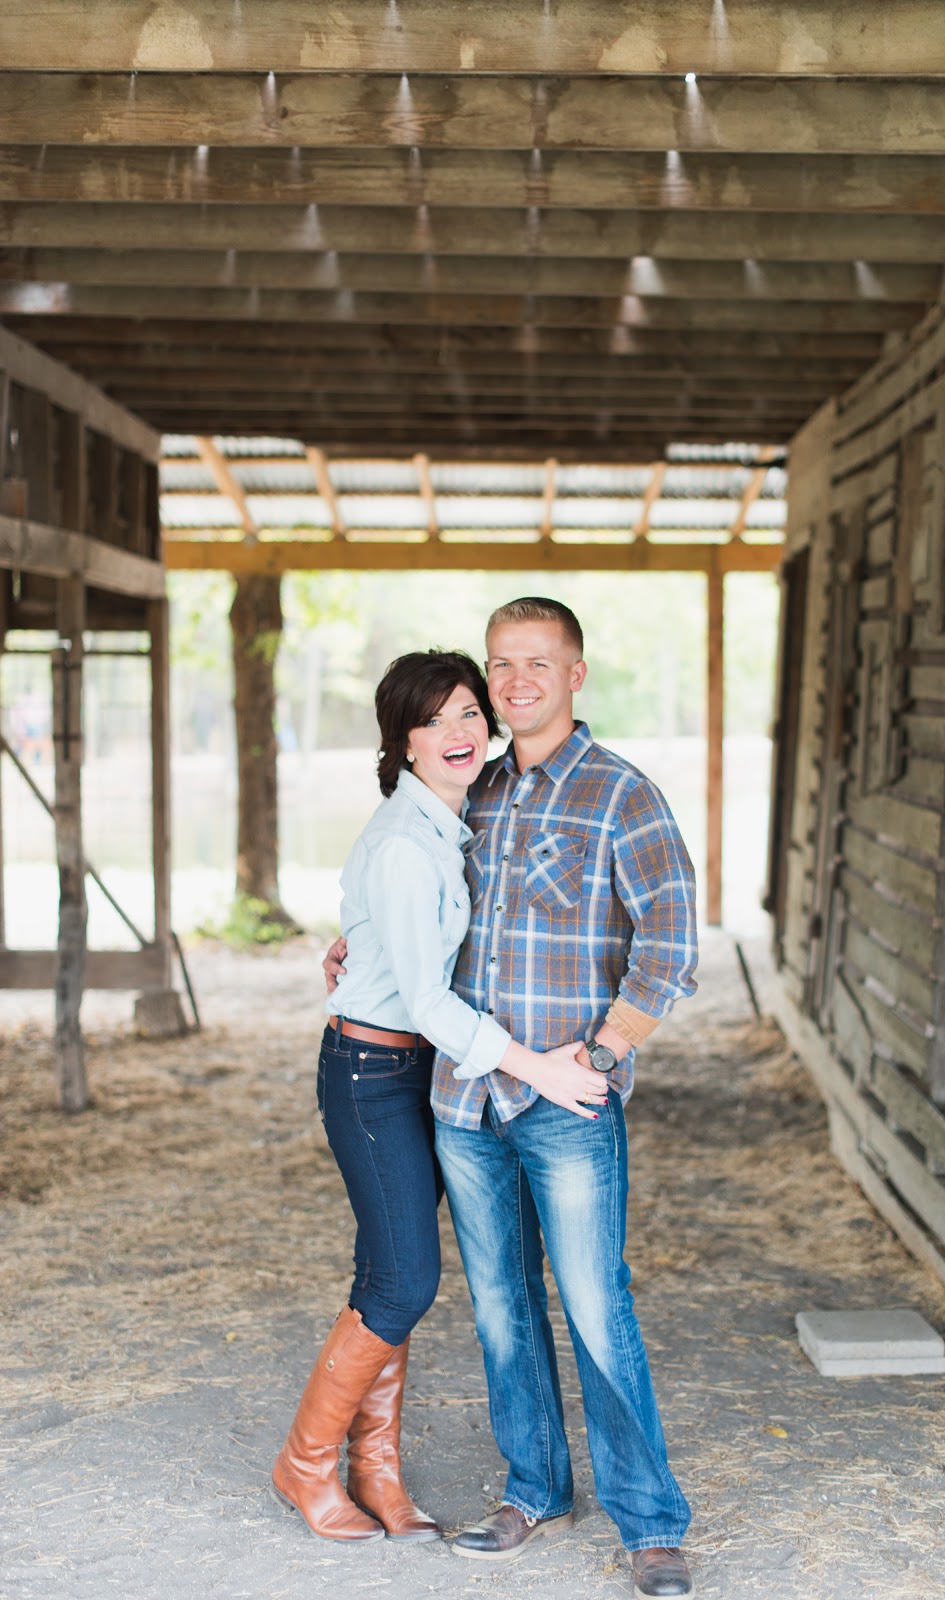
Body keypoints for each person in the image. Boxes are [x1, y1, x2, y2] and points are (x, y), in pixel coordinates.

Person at [326, 599, 699, 1599]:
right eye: (501, 663)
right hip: (464, 1100)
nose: (516, 681)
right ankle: (534, 1489)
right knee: (500, 1308)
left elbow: (671, 946)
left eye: (538, 662)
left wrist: (605, 1052)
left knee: (596, 1307)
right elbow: (408, 902)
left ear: (576, 674)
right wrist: (357, 949)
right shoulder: (470, 786)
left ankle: (651, 1523)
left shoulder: (624, 795)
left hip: (567, 1102)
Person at [272, 649, 609, 1547]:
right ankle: (305, 1463)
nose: (456, 731)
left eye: (467, 712)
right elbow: (424, 1001)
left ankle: (376, 1470)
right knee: (407, 1281)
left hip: (410, 1071)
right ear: (403, 742)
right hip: (372, 1075)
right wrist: (539, 1068)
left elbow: (395, 934)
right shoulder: (404, 840)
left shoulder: (451, 821)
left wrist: (354, 939)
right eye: (432, 720)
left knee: (384, 1271)